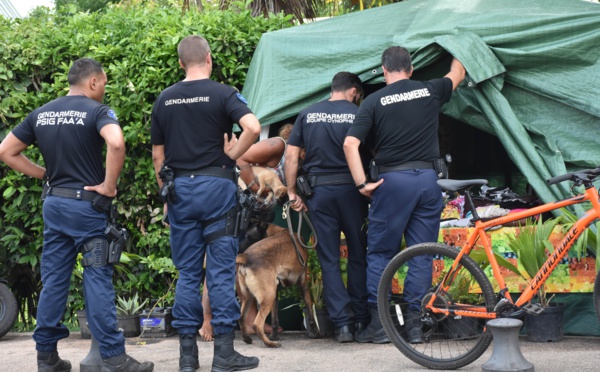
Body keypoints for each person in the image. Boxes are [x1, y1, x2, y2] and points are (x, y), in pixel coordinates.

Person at [0, 58, 154, 372]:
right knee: (97, 277)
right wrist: (109, 186)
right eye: (105, 83)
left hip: (54, 206)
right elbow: (116, 142)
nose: (105, 89)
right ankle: (113, 357)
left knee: (55, 280)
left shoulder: (40, 113)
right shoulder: (98, 112)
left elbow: (5, 151)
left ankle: (47, 359)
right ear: (93, 82)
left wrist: (46, 175)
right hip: (87, 208)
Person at [150, 35, 261, 372]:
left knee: (187, 273)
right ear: (209, 59)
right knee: (220, 271)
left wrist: (167, 194)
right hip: (217, 188)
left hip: (181, 189)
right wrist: (235, 153)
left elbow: (158, 157)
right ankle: (224, 355)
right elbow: (253, 127)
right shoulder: (224, 93)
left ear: (181, 63)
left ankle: (187, 358)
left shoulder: (164, 100)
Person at [343, 46, 466, 344]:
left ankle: (380, 326)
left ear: (384, 71)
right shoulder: (429, 89)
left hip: (392, 182)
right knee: (422, 253)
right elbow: (458, 71)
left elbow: (349, 144)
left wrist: (362, 185)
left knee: (381, 254)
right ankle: (414, 326)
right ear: (411, 70)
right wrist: (459, 39)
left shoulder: (372, 101)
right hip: (427, 180)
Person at [285, 72, 370, 343]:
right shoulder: (359, 113)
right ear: (354, 91)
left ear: (332, 89)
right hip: (353, 191)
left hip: (319, 193)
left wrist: (291, 191)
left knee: (329, 258)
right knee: (358, 251)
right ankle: (360, 319)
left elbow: (290, 154)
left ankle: (343, 325)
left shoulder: (308, 114)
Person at [199, 124, 293, 342]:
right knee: (222, 262)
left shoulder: (295, 156)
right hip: (238, 207)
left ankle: (250, 322)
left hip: (255, 216)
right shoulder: (278, 145)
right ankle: (207, 319)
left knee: (246, 267)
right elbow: (240, 158)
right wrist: (253, 186)